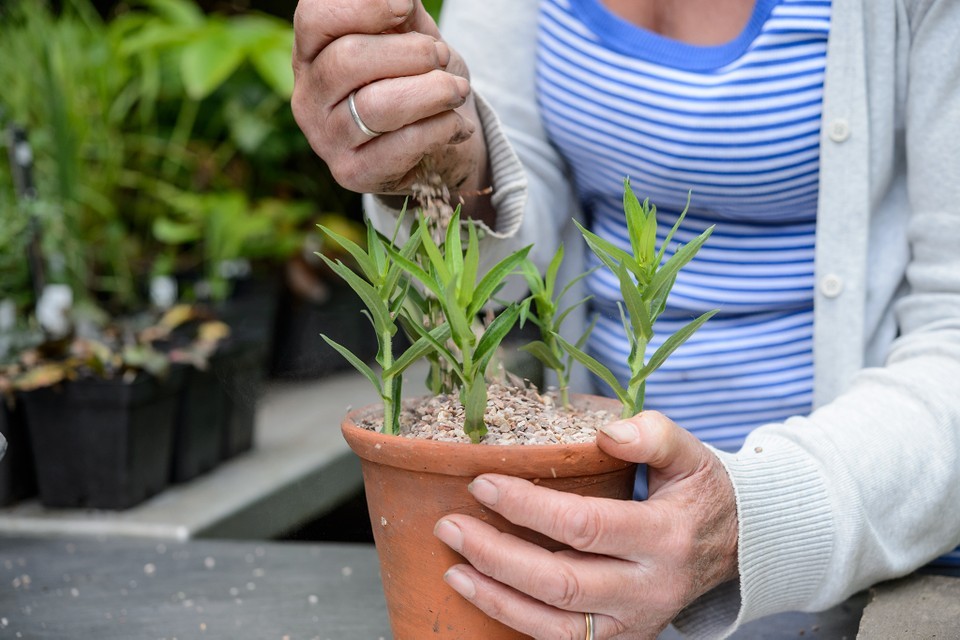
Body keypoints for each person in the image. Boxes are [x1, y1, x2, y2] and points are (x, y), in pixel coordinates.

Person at [291, 0, 960, 637]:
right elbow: (502, 239)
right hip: (583, 556)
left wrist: (756, 519)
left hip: (883, 551)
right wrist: (431, 153)